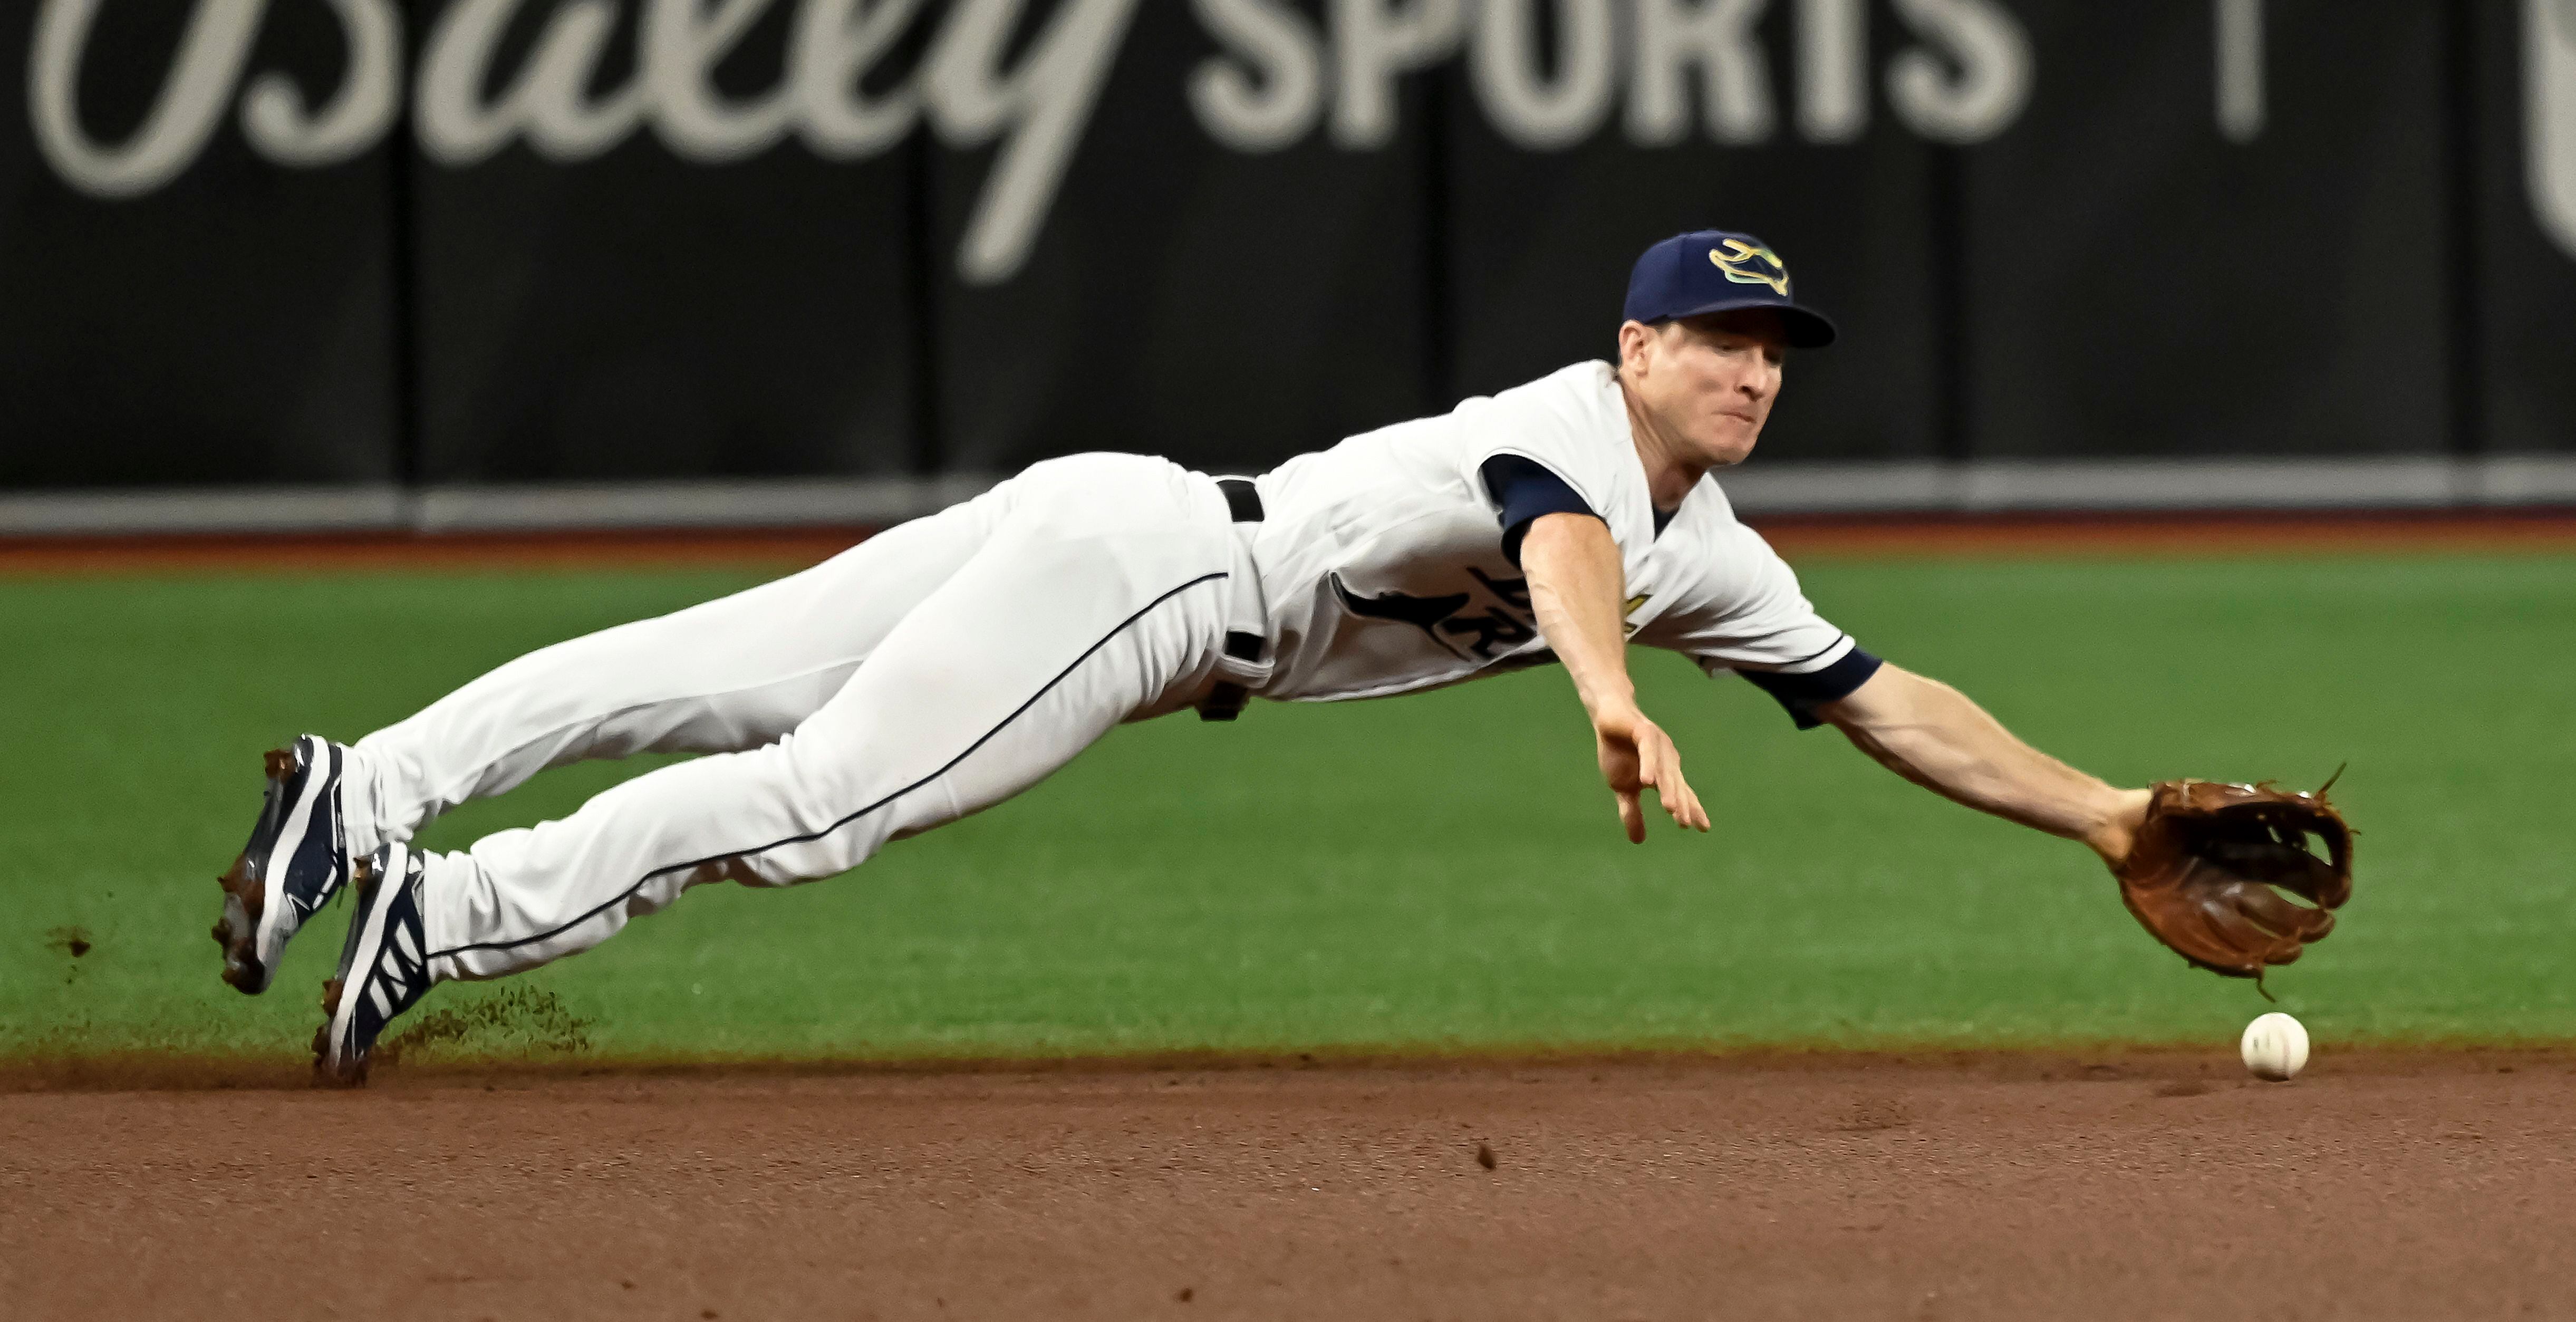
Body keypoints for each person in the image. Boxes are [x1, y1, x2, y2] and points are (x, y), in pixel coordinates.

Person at [217, 230, 2156, 1084]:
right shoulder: (1581, 430)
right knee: (814, 798)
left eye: (1774, 348)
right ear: (1635, 345)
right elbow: (1557, 542)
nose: (1748, 369)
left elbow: (1875, 693)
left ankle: (357, 788)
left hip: (1123, 519)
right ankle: (436, 901)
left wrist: (2107, 814)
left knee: (709, 671)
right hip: (1159, 585)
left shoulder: (1715, 546)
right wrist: (1612, 693)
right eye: (1717, 338)